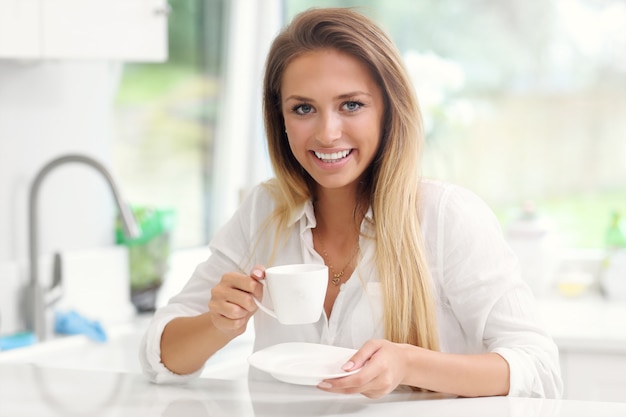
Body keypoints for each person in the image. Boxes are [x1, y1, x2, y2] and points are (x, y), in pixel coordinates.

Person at [140, 7, 562, 399]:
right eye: (303, 108)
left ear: (388, 110)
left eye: (351, 105)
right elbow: (160, 358)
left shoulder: (446, 216)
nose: (327, 133)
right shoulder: (264, 211)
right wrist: (217, 325)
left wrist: (408, 364)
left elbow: (539, 370)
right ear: (280, 118)